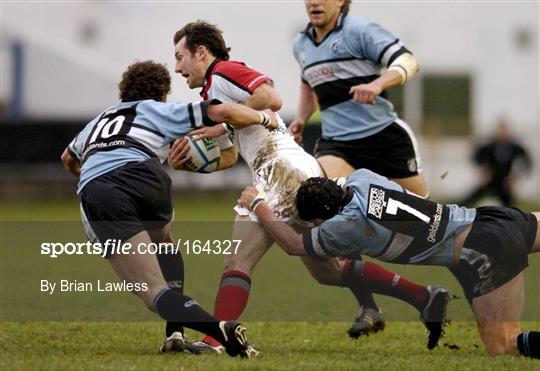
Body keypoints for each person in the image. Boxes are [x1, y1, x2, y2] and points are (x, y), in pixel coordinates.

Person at [168, 20, 450, 352]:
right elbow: (229, 157)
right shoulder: (214, 96)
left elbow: (269, 96)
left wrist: (247, 115)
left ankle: (216, 340)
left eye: (180, 57)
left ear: (201, 53)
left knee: (237, 261)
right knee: (328, 271)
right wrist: (194, 163)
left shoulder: (224, 72)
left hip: (280, 170)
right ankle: (423, 296)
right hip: (291, 169)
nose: (177, 68)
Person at [59, 60, 281, 358]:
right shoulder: (158, 110)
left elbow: (68, 158)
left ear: (123, 91)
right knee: (163, 242)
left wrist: (96, 176)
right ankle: (175, 333)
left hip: (103, 189)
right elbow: (224, 112)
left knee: (153, 293)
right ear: (162, 92)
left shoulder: (97, 122)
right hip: (150, 178)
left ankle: (221, 330)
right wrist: (265, 118)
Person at [238, 170, 540, 358]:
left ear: (322, 219)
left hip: (484, 249)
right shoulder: (361, 177)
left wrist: (258, 205)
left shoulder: (344, 227)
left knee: (502, 346)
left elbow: (293, 245)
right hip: (491, 217)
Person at [289, 0, 427, 195]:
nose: (315, 2)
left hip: (383, 136)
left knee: (418, 212)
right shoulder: (301, 44)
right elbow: (308, 88)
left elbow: (408, 61)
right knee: (330, 202)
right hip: (336, 143)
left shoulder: (360, 30)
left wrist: (377, 84)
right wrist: (300, 120)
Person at [461, 119, 532, 207]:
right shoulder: (489, 146)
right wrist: (483, 170)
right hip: (490, 178)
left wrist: (515, 177)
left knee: (509, 205)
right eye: (500, 129)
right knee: (470, 199)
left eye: (504, 129)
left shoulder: (514, 147)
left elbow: (526, 162)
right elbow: (476, 158)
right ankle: (455, 212)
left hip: (505, 181)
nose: (502, 132)